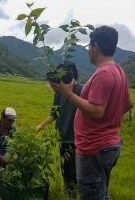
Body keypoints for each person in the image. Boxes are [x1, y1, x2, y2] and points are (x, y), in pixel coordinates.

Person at [50, 26, 133, 200]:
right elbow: (128, 103)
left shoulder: (103, 74)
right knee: (101, 194)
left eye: (89, 46)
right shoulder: (118, 71)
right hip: (107, 144)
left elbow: (96, 112)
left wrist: (68, 94)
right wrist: (108, 124)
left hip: (93, 148)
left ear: (96, 46)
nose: (88, 50)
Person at [36, 62, 82, 193]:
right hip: (63, 137)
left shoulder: (82, 90)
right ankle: (68, 195)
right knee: (65, 172)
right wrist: (41, 126)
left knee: (75, 173)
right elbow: (54, 113)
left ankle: (75, 195)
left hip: (77, 139)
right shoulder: (59, 93)